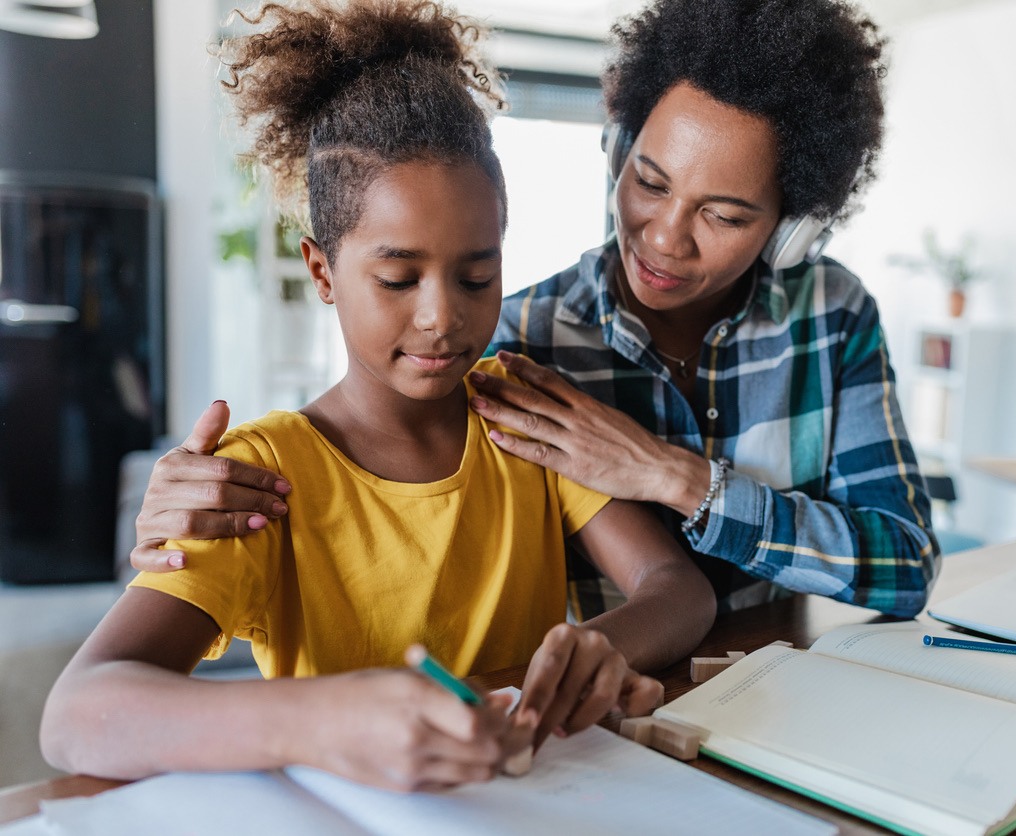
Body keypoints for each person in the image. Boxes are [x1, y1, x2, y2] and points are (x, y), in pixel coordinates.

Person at [40, 0, 714, 792]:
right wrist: (324, 719)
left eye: (477, 275)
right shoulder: (261, 474)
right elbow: (78, 714)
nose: (443, 317)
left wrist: (604, 645)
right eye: (398, 278)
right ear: (322, 272)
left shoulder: (524, 415)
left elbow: (680, 592)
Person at [129, 0, 939, 620]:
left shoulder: (831, 312)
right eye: (649, 182)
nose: (663, 237)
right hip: (607, 727)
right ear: (618, 148)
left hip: (781, 686)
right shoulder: (516, 343)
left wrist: (676, 478)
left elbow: (904, 567)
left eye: (723, 216)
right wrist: (192, 509)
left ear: (793, 227)